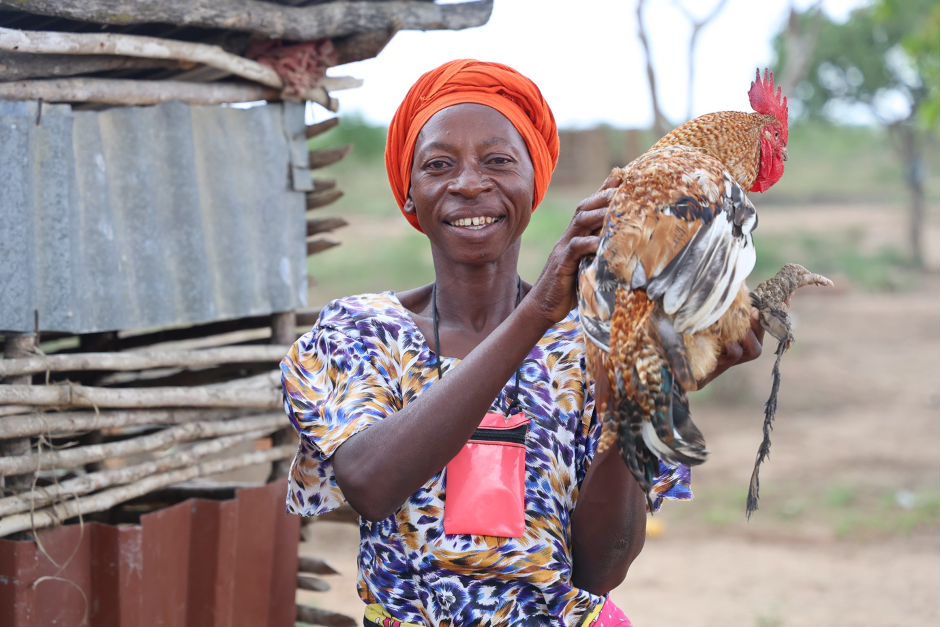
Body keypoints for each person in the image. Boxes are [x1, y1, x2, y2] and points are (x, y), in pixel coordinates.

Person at [281, 59, 763, 627]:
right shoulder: (359, 333)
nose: (468, 183)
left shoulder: (595, 346)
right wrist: (537, 312)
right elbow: (370, 483)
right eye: (439, 165)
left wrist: (637, 394)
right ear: (409, 195)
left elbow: (600, 569)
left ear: (533, 185)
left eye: (498, 161)